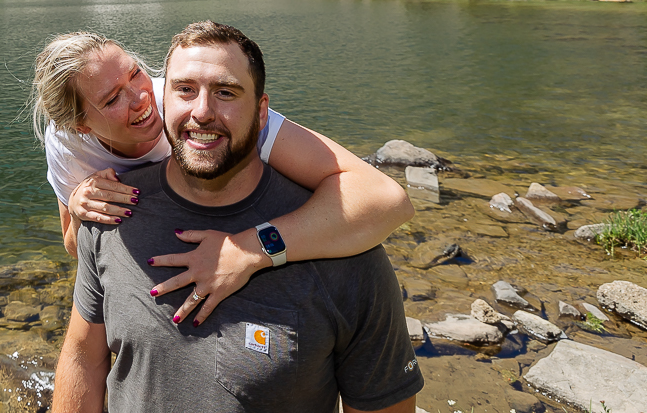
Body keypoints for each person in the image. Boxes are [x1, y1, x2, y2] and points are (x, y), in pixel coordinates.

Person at [51, 22, 422, 413]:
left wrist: (251, 248)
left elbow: (387, 199)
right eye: (185, 90)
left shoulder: (343, 241)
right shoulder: (95, 195)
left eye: (226, 92)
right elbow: (82, 355)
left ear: (260, 111)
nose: (202, 110)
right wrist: (81, 210)